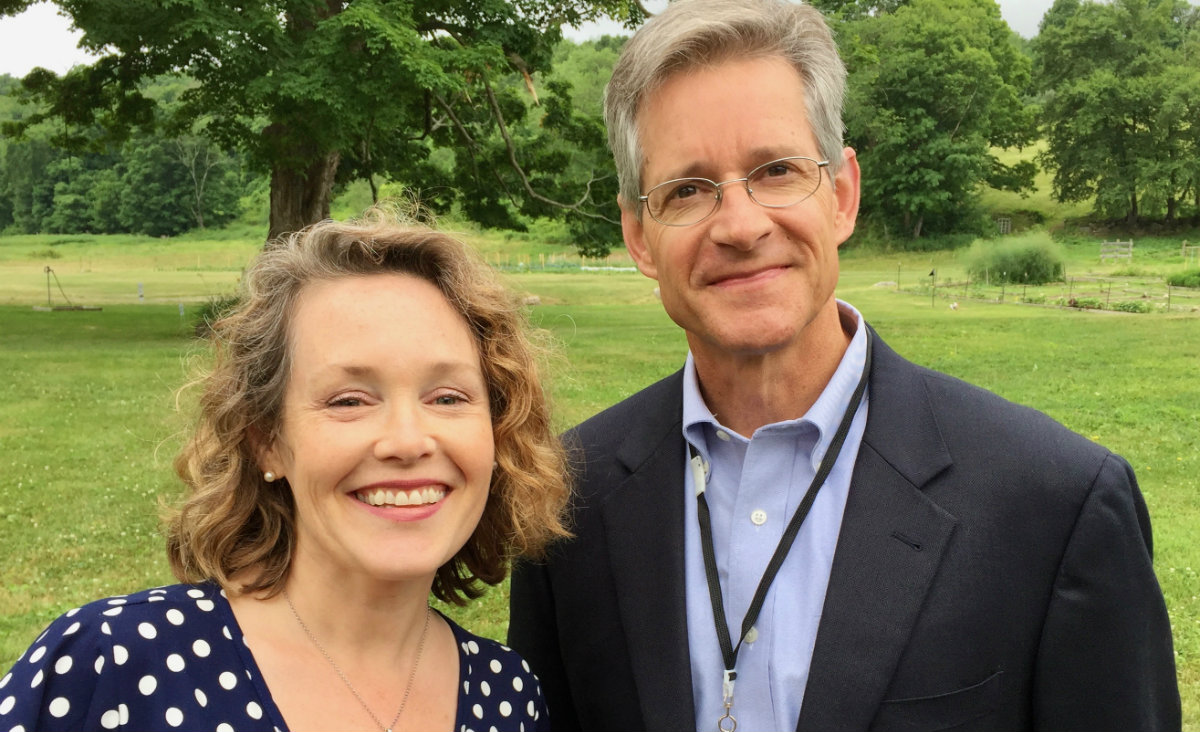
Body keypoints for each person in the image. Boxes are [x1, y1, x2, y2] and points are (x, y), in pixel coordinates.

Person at [507, 1, 1181, 730]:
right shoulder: (567, 503)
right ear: (639, 236)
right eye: (688, 190)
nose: (741, 226)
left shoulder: (1055, 504)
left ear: (842, 195)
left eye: (776, 171)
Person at [2, 212, 567, 731]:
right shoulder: (110, 666)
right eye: (349, 400)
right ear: (266, 442)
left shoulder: (509, 697)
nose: (406, 441)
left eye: (447, 397)